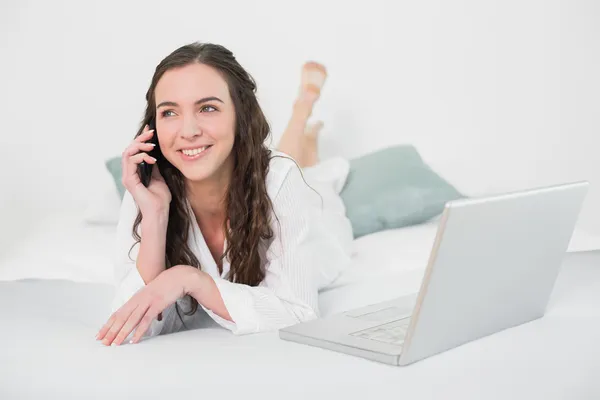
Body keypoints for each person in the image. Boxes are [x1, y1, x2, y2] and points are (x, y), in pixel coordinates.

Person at [95, 42, 354, 346]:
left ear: (239, 113)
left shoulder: (281, 181)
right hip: (260, 174)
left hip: (319, 222)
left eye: (207, 108)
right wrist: (156, 217)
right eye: (169, 112)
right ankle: (306, 134)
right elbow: (131, 324)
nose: (188, 130)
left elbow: (299, 311)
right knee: (290, 164)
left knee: (313, 178)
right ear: (154, 124)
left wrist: (190, 279)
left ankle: (303, 113)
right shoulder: (148, 190)